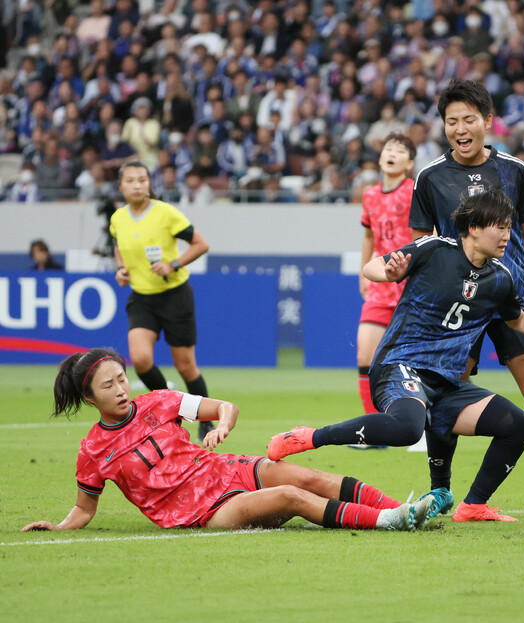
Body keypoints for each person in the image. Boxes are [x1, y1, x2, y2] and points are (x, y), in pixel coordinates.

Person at [267, 188, 524, 522]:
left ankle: (473, 506)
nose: (507, 236)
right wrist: (388, 274)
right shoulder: (434, 248)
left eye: (509, 227)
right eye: (500, 227)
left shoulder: (500, 279)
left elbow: (516, 319)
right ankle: (311, 436)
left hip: (444, 384)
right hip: (399, 366)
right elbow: (373, 266)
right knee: (408, 429)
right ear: (474, 228)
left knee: (518, 424)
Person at [21, 349, 432, 533]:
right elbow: (84, 509)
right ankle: (386, 521)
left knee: (305, 476)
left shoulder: (160, 401)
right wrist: (56, 527)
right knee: (289, 494)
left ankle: (406, 510)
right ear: (89, 398)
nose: (121, 388)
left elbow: (226, 407)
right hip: (200, 510)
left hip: (223, 469)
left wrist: (221, 425)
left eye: (122, 378)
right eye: (108, 385)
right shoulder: (93, 451)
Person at [408, 78, 524, 517]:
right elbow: (423, 245)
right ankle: (440, 489)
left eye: (468, 119)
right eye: (451, 121)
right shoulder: (430, 177)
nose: (460, 128)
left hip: (511, 296)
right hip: (459, 302)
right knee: (446, 392)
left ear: (487, 122)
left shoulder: (513, 170)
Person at [110, 161, 213, 441]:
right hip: (142, 298)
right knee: (141, 360)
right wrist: (121, 269)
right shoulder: (118, 217)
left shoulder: (165, 213)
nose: (137, 185)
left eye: (142, 179)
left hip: (175, 296)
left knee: (186, 366)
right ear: (121, 185)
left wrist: (174, 263)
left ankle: (206, 420)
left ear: (149, 183)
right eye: (130, 180)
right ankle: (170, 411)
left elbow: (201, 244)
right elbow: (118, 244)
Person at [354, 133, 420, 450]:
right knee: (365, 355)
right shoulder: (369, 195)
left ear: (409, 163)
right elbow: (369, 236)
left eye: (400, 151)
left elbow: (428, 234)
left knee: (416, 362)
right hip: (380, 284)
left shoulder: (415, 191)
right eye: (388, 149)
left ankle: (423, 427)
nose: (392, 154)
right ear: (380, 159)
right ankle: (373, 433)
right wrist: (364, 270)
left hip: (411, 285)